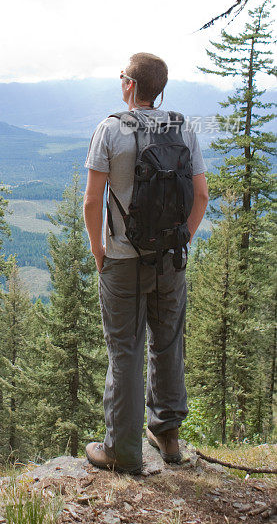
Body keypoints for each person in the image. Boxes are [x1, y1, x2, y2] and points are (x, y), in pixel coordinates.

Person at [83, 52, 209, 474]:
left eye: (122, 77)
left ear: (130, 86)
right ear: (162, 90)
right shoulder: (183, 129)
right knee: (168, 342)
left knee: (125, 350)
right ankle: (168, 437)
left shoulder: (110, 130)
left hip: (122, 262)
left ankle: (121, 451)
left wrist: (99, 251)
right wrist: (183, 238)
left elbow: (91, 200)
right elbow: (202, 195)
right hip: (171, 261)